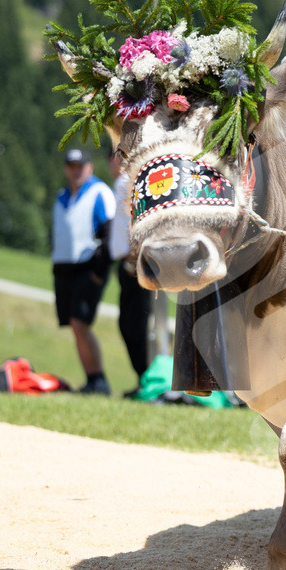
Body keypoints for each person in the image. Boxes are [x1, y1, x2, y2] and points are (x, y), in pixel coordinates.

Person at [52, 147, 116, 394]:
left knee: (80, 323)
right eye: (71, 167)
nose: (76, 171)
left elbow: (109, 233)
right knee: (74, 324)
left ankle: (99, 379)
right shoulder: (61, 197)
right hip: (64, 269)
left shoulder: (99, 192)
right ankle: (91, 379)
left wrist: (99, 271)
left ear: (89, 167)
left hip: (88, 267)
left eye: (80, 166)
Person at [108, 149, 153, 396]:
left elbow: (137, 219)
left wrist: (131, 260)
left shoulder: (128, 181)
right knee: (129, 325)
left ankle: (148, 381)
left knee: (135, 325)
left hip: (135, 264)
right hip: (128, 263)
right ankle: (143, 380)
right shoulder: (124, 182)